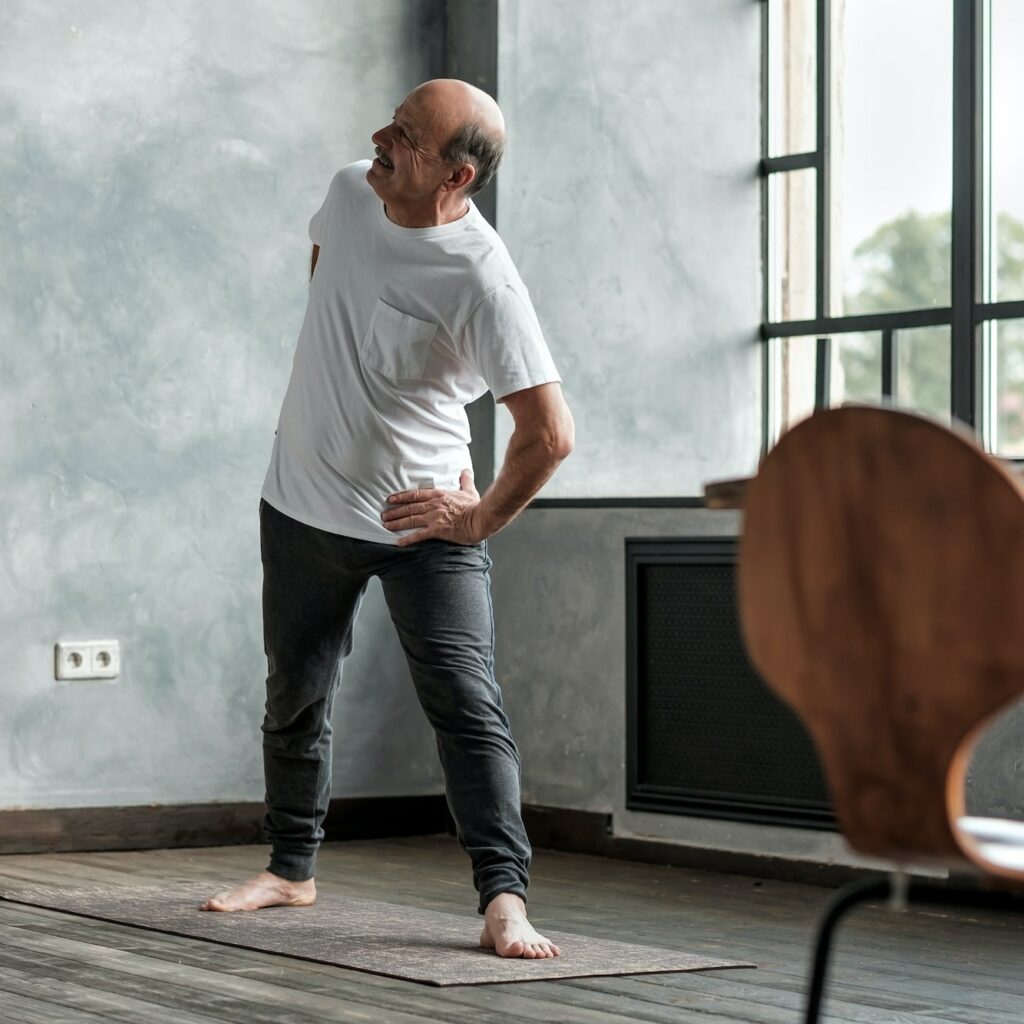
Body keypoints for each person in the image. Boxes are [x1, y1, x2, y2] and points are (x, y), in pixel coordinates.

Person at [199, 79, 574, 961]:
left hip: (420, 530)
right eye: (390, 122)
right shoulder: (347, 192)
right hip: (299, 505)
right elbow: (332, 295)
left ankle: (504, 902)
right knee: (295, 694)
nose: (378, 138)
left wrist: (477, 520)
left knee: (467, 708)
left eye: (404, 136)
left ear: (458, 176)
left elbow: (550, 434)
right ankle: (291, 870)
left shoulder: (484, 280)